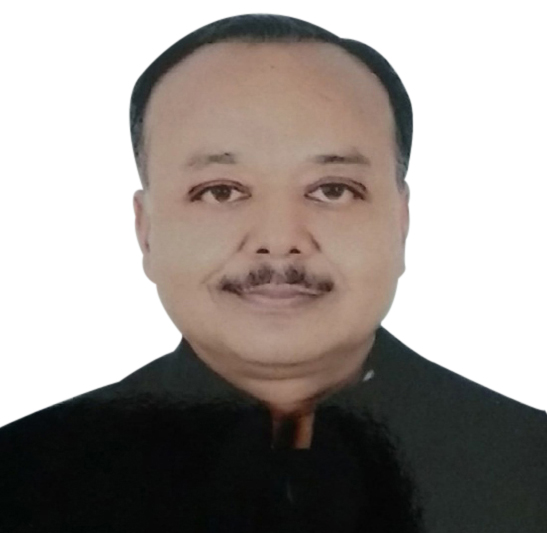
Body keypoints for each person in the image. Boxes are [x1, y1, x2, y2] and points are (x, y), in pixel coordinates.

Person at [0, 13, 545, 533]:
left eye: (333, 190)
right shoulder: (22, 479)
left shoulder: (530, 469)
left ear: (401, 222)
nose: (280, 238)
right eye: (220, 191)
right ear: (146, 230)